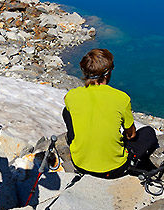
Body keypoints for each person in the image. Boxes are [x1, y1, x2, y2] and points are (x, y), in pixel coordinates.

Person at [62, 48, 158, 178]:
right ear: (107, 74)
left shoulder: (71, 96)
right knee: (148, 133)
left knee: (66, 111)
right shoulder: (121, 98)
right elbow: (131, 135)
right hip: (113, 169)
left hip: (79, 163)